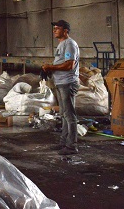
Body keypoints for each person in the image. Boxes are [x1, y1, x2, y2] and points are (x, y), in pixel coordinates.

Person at [42, 20, 80, 155]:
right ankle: (64, 143)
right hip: (61, 83)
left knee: (70, 115)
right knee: (63, 114)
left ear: (65, 31)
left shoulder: (70, 44)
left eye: (58, 28)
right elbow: (61, 63)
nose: (55, 30)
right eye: (54, 28)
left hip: (67, 83)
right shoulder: (61, 44)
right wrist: (49, 69)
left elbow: (69, 65)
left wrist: (50, 67)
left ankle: (72, 146)